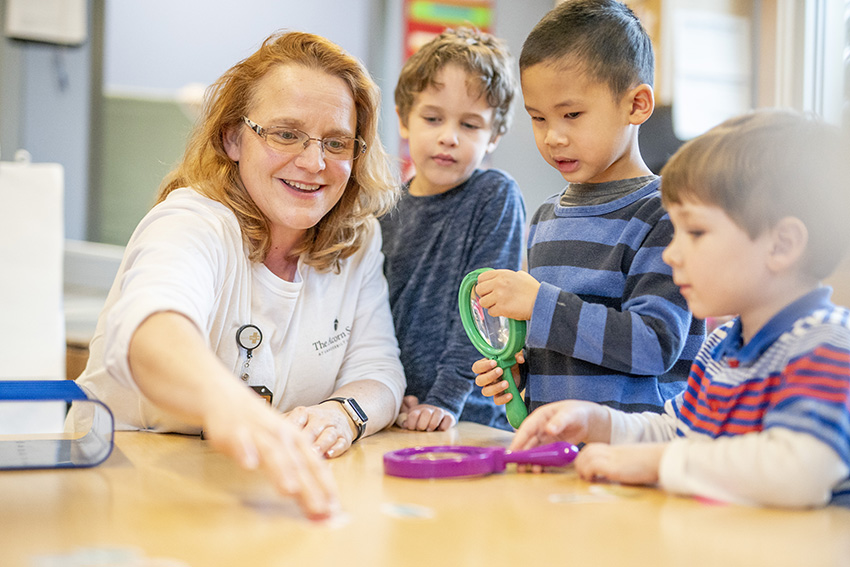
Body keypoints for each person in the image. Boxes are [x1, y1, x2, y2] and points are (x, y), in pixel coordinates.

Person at [73, 31, 406, 519]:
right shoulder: (191, 221)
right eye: (285, 133)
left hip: (254, 503)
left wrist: (341, 414)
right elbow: (151, 331)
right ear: (233, 137)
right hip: (119, 499)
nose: (314, 163)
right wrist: (226, 402)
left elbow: (379, 372)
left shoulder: (356, 242)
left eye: (336, 142)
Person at [510, 109, 850, 508]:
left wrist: (658, 463)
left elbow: (798, 472)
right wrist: (600, 422)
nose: (671, 254)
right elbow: (680, 431)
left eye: (697, 231)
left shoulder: (825, 343)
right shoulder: (723, 344)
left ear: (782, 245)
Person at [473, 0, 704, 419]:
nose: (553, 137)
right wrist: (522, 374)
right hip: (563, 452)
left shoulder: (664, 215)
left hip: (635, 458)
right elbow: (567, 346)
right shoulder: (545, 219)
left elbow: (654, 346)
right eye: (538, 118)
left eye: (572, 114)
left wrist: (540, 305)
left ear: (636, 105)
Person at [380, 27, 526, 432]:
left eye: (470, 125)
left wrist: (444, 400)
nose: (448, 137)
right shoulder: (383, 207)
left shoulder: (495, 196)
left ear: (494, 135)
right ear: (404, 119)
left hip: (471, 415)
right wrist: (385, 390)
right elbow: (372, 315)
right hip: (401, 410)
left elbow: (485, 312)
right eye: (432, 118)